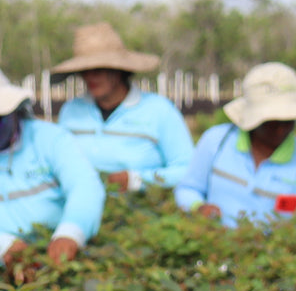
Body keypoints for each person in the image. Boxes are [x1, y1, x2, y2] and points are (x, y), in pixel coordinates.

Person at [175, 63, 296, 227]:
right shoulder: (216, 141)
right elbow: (187, 189)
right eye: (271, 122)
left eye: (288, 121)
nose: (280, 129)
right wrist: (199, 207)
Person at [51, 23, 194, 193]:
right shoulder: (71, 111)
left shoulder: (159, 110)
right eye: (84, 70)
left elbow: (187, 170)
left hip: (140, 213)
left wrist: (138, 180)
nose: (90, 77)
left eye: (98, 70)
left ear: (118, 70)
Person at [0, 72, 104, 277]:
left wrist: (70, 233)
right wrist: (4, 246)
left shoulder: (49, 138)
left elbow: (84, 185)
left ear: (14, 112)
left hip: (57, 253)